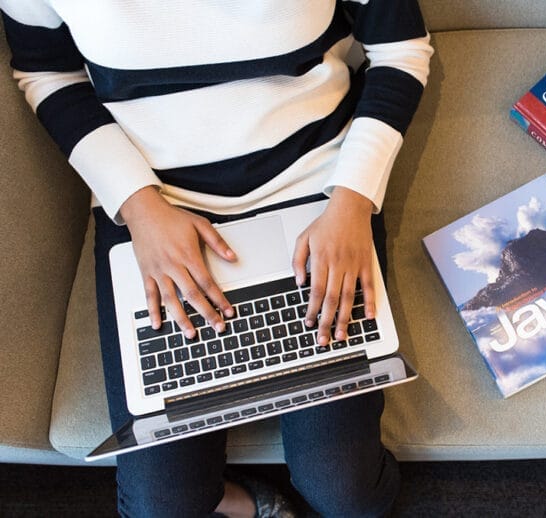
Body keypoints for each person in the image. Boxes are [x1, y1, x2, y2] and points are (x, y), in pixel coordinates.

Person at [1, 1, 433, 516]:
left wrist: (354, 200)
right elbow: (48, 72)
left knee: (348, 494)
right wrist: (138, 207)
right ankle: (245, 502)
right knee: (164, 504)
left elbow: (400, 49)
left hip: (318, 187)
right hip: (154, 202)